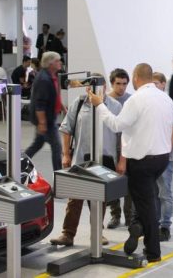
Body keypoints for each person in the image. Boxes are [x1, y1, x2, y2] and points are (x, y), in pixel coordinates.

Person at [88, 63, 173, 263]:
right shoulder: (166, 99)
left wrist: (99, 105)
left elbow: (116, 125)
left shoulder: (136, 100)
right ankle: (137, 225)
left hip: (142, 162)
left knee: (146, 206)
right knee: (148, 197)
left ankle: (153, 251)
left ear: (136, 77)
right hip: (162, 158)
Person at [50, 75, 122, 247]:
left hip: (104, 160)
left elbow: (122, 135)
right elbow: (66, 129)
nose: (95, 90)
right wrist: (65, 154)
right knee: (75, 197)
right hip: (81, 158)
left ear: (105, 88)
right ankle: (68, 234)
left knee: (99, 199)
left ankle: (97, 233)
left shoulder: (115, 106)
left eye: (99, 86)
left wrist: (121, 160)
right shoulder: (79, 103)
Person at [152, 72, 173, 242]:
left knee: (164, 192)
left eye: (157, 83)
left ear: (163, 84)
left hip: (165, 157)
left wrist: (164, 153)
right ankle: (154, 222)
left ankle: (165, 226)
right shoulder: (151, 105)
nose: (154, 86)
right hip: (150, 156)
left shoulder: (170, 106)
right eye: (152, 83)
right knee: (153, 192)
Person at [25, 51, 63, 172]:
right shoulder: (44, 79)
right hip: (46, 120)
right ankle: (58, 175)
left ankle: (19, 162)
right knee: (57, 146)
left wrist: (62, 107)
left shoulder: (51, 76)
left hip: (48, 118)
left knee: (37, 144)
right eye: (57, 61)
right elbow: (40, 104)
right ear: (50, 63)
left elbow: (54, 95)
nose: (60, 62)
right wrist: (42, 123)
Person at [107, 68, 133, 229]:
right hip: (110, 147)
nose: (121, 87)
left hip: (128, 148)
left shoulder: (131, 100)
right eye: (118, 84)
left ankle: (129, 216)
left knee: (129, 184)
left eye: (124, 84)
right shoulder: (106, 102)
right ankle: (115, 215)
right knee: (112, 184)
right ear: (112, 83)